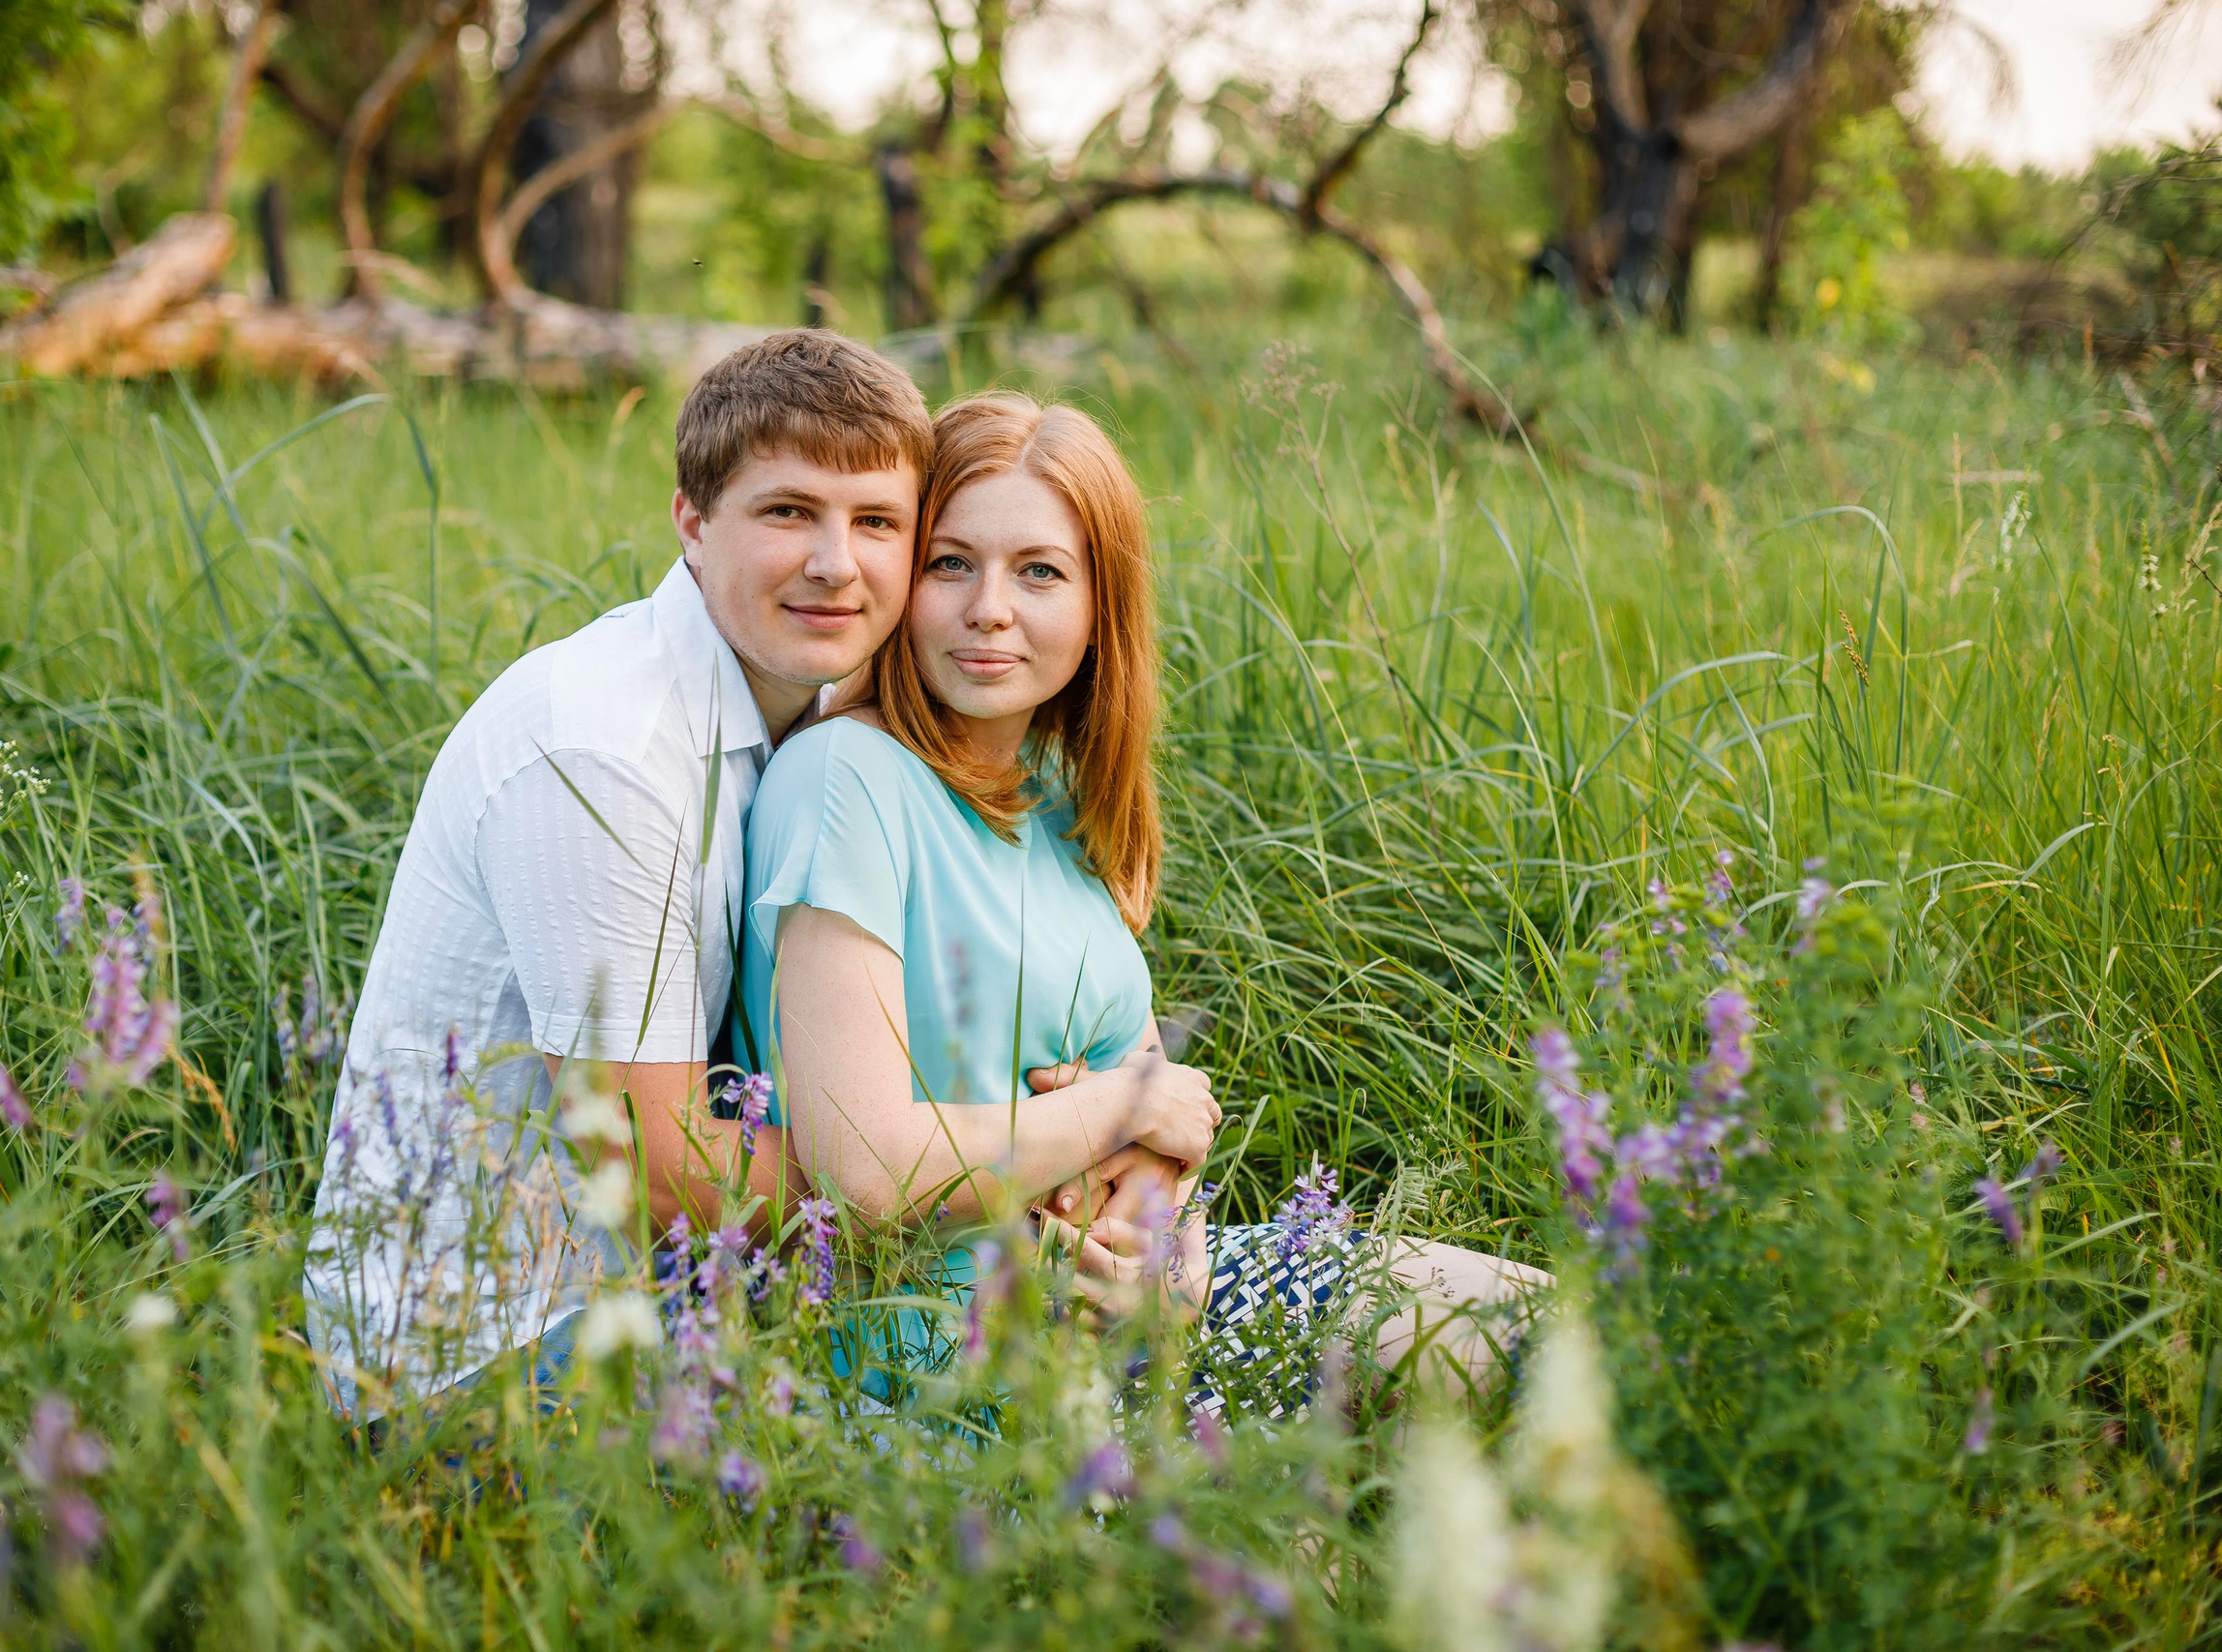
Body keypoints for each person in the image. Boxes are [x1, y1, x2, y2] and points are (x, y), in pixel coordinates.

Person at [737, 392, 1547, 1413]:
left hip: (1135, 1330)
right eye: (951, 564)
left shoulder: (1059, 799)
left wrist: (1174, 1253)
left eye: (1040, 571)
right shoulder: (844, 781)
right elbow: (864, 1171)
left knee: (1548, 1330)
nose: (990, 608)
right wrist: (1112, 1111)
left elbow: (1155, 1119)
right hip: (939, 1369)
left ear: (1099, 606)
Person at [305, 329, 937, 1419]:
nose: (837, 562)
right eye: (790, 512)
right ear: (692, 522)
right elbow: (665, 1174)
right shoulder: (602, 747)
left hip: (683, 1299)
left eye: (876, 521)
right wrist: (986, 1172)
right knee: (1031, 1431)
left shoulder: (824, 702)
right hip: (487, 1362)